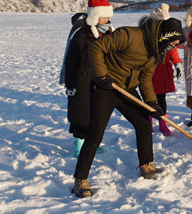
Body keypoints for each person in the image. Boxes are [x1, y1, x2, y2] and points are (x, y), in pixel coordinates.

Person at [71, 16, 185, 198]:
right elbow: (96, 47)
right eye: (174, 42)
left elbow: (146, 78)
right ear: (166, 36)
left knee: (143, 123)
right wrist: (101, 75)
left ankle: (146, 165)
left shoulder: (157, 51)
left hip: (127, 89)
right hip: (105, 87)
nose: (174, 47)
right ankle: (80, 180)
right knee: (96, 133)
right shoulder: (129, 35)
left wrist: (151, 103)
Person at [60, 0, 114, 156]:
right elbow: (70, 61)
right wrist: (70, 85)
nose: (106, 20)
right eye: (103, 17)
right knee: (81, 113)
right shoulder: (82, 34)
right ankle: (80, 144)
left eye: (107, 17)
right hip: (81, 80)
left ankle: (91, 143)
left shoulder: (109, 32)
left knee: (95, 113)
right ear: (95, 16)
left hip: (99, 79)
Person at [149, 3, 183, 136]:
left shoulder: (168, 34)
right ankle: (149, 122)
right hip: (150, 72)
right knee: (150, 99)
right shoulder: (149, 33)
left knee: (161, 99)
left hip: (163, 72)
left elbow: (173, 51)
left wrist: (177, 64)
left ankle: (163, 123)